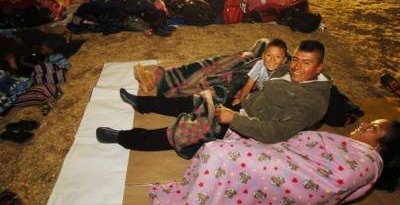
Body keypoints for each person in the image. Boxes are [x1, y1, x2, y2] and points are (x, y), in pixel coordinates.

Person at [97, 40, 332, 157]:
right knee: (198, 97)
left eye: (307, 62)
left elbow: (274, 132)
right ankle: (143, 103)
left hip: (248, 127)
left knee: (187, 129)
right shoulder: (290, 70)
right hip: (243, 104)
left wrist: (233, 118)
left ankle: (124, 138)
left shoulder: (309, 103)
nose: (297, 67)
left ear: (319, 67)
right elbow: (271, 58)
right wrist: (245, 92)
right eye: (296, 59)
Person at [149, 119, 400, 205]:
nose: (365, 124)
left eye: (374, 127)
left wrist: (286, 163)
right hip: (284, 155)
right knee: (221, 146)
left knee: (219, 153)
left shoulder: (368, 162)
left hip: (291, 172)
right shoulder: (353, 147)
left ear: (381, 145)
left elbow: (334, 180)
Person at [232, 38, 288, 105]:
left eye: (278, 57)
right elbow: (249, 85)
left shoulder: (283, 77)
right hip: (259, 91)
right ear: (263, 56)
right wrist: (242, 101)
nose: (272, 60)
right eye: (269, 55)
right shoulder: (260, 64)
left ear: (284, 60)